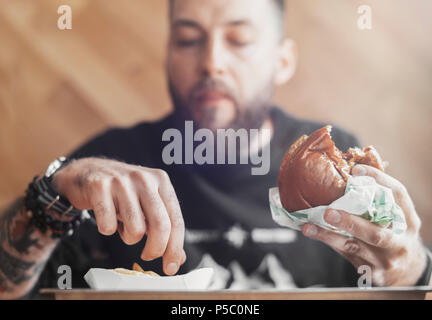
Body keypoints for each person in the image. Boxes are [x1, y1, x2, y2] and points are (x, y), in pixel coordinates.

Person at [0, 0, 430, 299]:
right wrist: (54, 194)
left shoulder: (339, 167)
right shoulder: (109, 166)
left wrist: (412, 271)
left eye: (239, 40)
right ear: (169, 54)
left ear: (282, 61)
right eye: (189, 40)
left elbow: (398, 283)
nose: (212, 62)